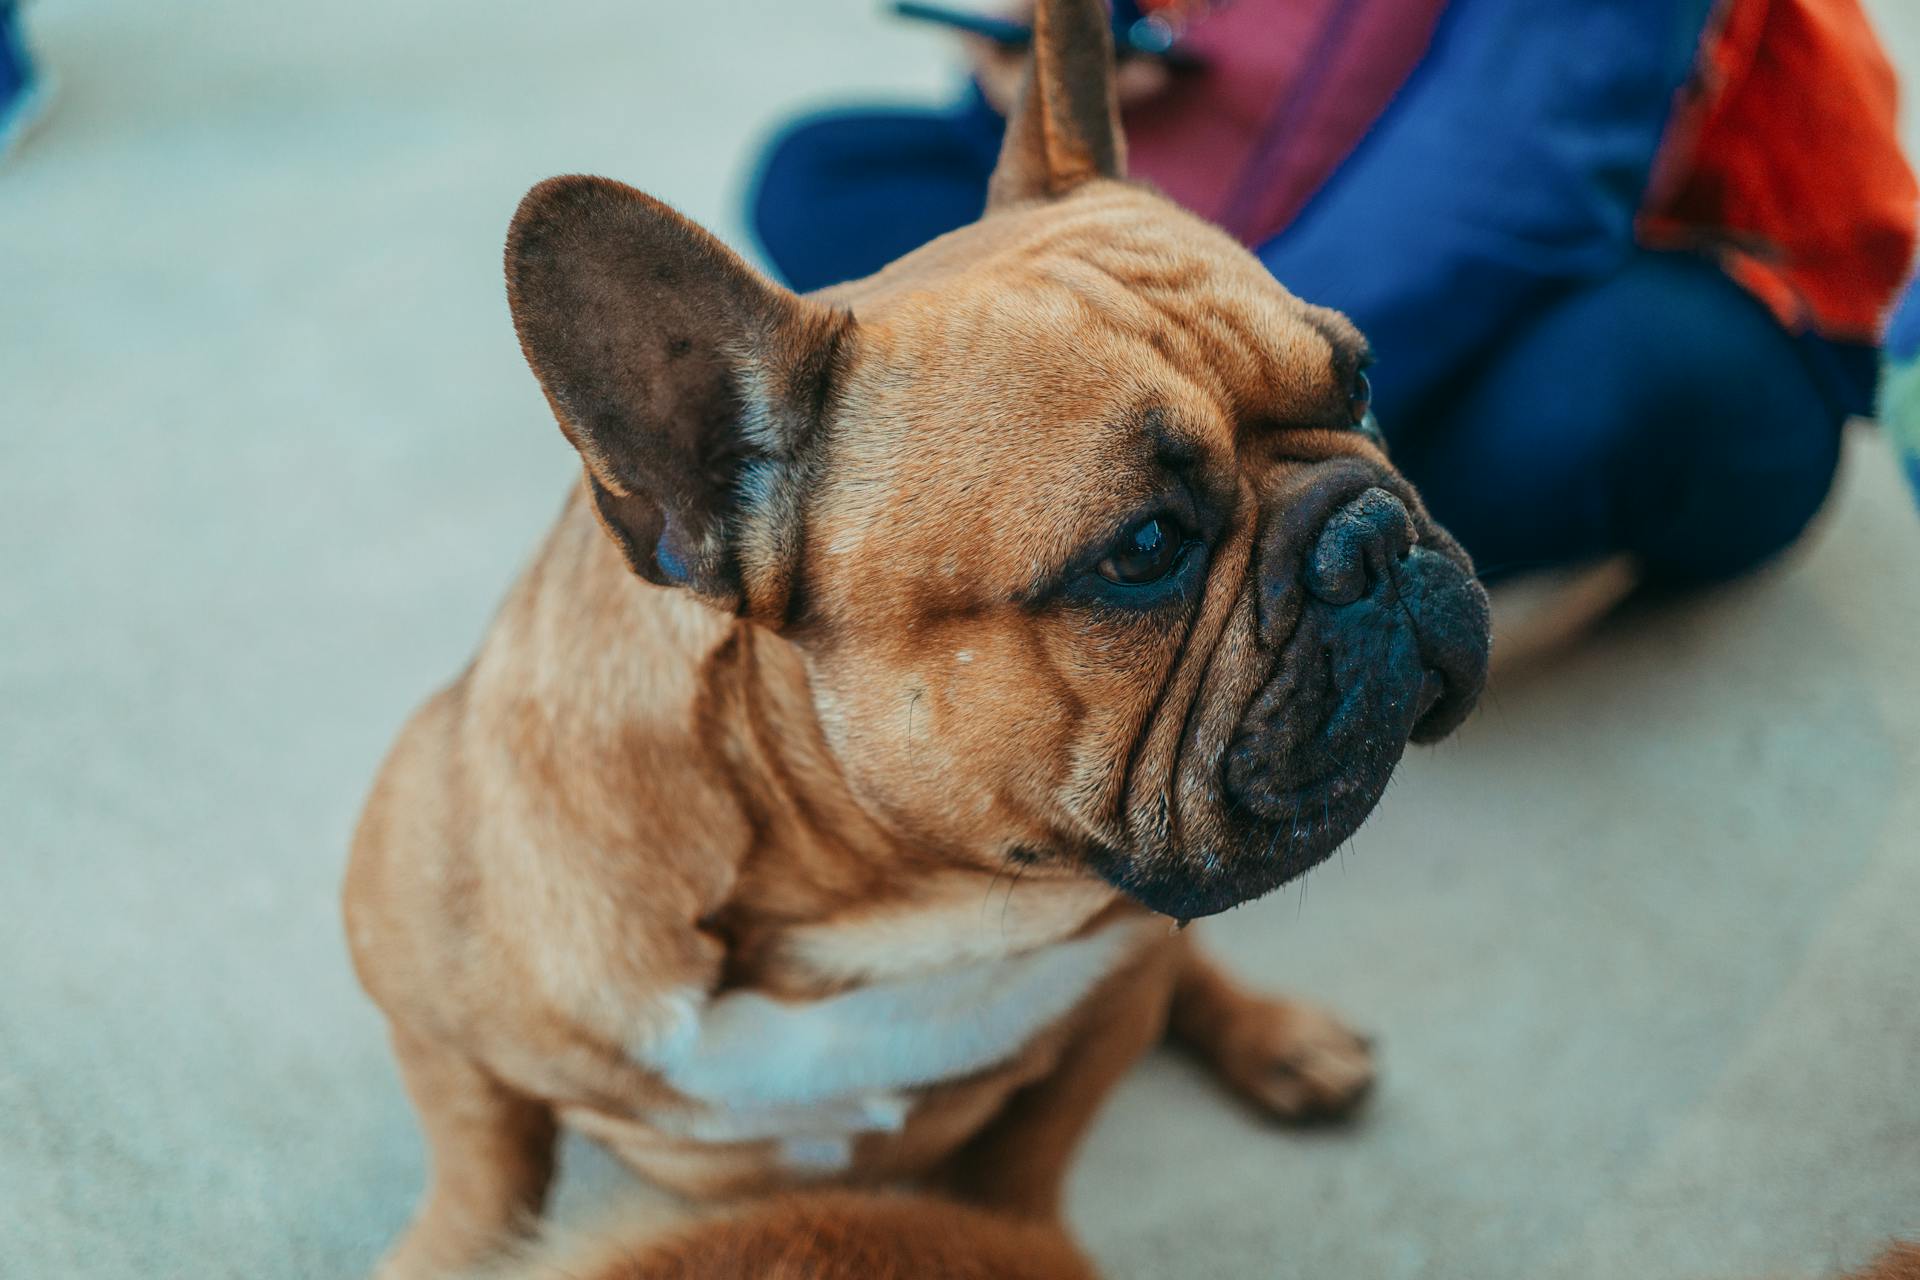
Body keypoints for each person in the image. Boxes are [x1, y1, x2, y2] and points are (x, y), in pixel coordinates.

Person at [750, 0, 1917, 591]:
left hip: (1660, 265)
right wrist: (1053, 51)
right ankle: (1218, 486)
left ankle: (1236, 503)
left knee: (1611, 396)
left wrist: (1195, 440)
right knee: (827, 180)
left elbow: (1498, 199)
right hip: (1256, 216)